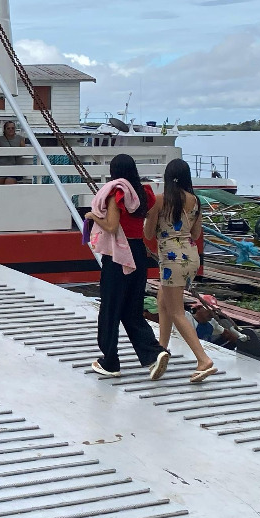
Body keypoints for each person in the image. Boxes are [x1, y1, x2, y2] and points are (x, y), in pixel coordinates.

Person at [87, 153, 163, 378]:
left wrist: (92, 216)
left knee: (110, 309)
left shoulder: (116, 194)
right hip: (138, 252)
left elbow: (111, 226)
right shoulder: (143, 193)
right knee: (132, 310)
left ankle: (110, 361)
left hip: (119, 255)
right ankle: (153, 353)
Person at [145, 158, 216, 383]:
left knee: (176, 311)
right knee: (162, 301)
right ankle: (161, 350)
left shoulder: (159, 201)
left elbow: (148, 234)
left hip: (171, 260)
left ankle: (203, 359)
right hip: (191, 258)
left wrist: (152, 222)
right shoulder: (196, 201)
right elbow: (195, 235)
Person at [0, 119, 29, 185]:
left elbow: (24, 151)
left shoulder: (20, 139)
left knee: (9, 182)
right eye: (8, 128)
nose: (11, 130)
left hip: (12, 167)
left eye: (12, 128)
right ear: (5, 130)